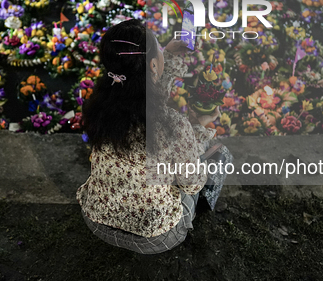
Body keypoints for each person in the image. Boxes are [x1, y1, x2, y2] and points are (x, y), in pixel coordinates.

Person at [77, 19, 221, 254]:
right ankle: (200, 212)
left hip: (97, 221)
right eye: (159, 49)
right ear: (153, 66)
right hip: (154, 238)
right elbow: (191, 184)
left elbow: (146, 97)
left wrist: (169, 56)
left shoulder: (98, 107)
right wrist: (200, 128)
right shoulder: (172, 125)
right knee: (214, 155)